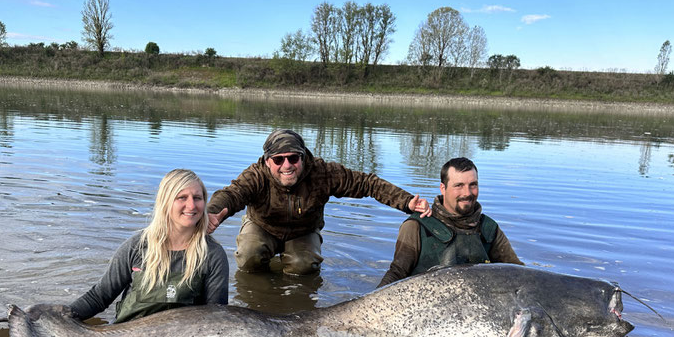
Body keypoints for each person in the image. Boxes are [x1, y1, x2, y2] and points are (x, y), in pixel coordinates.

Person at [206, 129, 432, 275]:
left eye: (294, 158)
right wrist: (212, 213)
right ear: (267, 162)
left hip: (303, 231)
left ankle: (293, 264)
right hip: (263, 226)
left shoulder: (323, 173)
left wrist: (407, 202)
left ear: (303, 157)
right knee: (249, 259)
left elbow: (367, 183)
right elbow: (231, 194)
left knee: (303, 268)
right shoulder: (255, 176)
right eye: (279, 160)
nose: (287, 165)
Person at [71, 169, 229, 323]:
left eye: (197, 198)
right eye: (181, 198)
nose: (191, 205)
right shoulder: (136, 247)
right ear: (165, 202)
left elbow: (215, 318)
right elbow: (98, 297)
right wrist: (61, 317)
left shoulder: (213, 255)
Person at [378, 157, 522, 287]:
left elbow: (518, 274)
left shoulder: (489, 229)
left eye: (473, 185)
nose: (467, 193)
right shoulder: (416, 226)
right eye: (458, 185)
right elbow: (396, 274)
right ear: (443, 188)